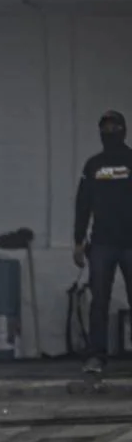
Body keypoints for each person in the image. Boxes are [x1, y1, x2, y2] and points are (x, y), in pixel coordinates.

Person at [75, 109, 132, 376]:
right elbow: (82, 204)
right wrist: (78, 241)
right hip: (101, 244)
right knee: (99, 302)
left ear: (123, 130)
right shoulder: (93, 165)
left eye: (114, 128)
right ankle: (96, 356)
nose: (110, 133)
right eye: (105, 128)